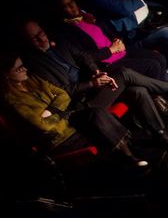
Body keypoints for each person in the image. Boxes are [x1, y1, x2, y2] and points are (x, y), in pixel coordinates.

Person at [1, 53, 149, 169]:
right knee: (97, 129)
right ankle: (127, 156)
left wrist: (50, 110)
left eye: (23, 65)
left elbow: (62, 95)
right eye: (19, 68)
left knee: (95, 113)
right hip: (57, 137)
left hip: (68, 119)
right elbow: (41, 125)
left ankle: (128, 154)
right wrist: (58, 112)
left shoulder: (33, 80)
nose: (25, 69)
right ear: (6, 74)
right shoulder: (11, 100)